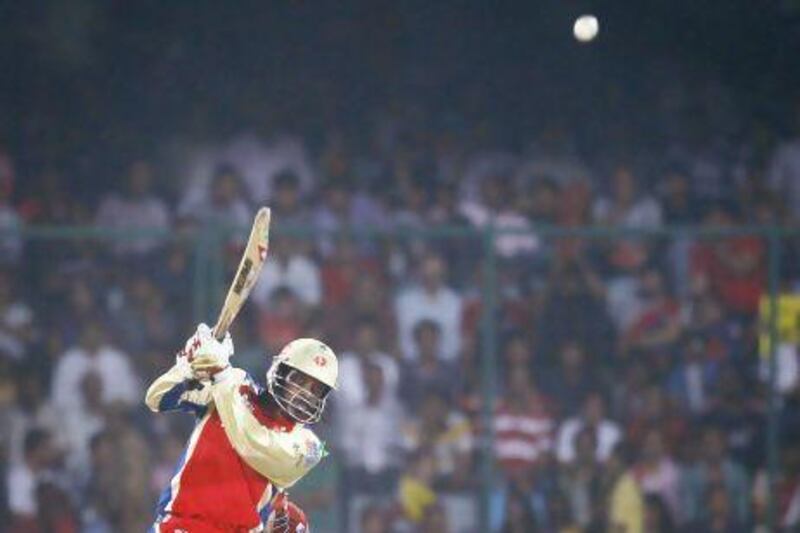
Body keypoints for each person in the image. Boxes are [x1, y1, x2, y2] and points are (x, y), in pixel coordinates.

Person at [145, 323, 339, 532]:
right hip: (179, 527)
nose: (305, 395)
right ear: (280, 371)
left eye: (316, 390)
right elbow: (156, 398)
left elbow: (252, 444)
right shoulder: (236, 383)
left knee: (298, 525)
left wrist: (221, 373)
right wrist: (188, 365)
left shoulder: (309, 446)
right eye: (299, 381)